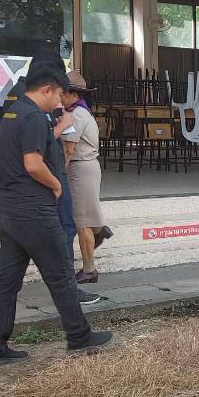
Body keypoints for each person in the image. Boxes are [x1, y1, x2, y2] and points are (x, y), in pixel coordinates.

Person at [0, 65, 112, 368]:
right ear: (47, 89)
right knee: (62, 276)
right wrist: (55, 185)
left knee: (6, 284)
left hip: (8, 211)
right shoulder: (34, 117)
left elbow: (29, 148)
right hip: (34, 213)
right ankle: (79, 337)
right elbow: (33, 163)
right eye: (59, 95)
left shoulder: (14, 113)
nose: (61, 102)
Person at [60, 72, 113, 284]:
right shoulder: (78, 111)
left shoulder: (77, 115)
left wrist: (59, 173)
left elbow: (68, 149)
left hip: (80, 169)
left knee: (82, 222)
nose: (59, 97)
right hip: (85, 168)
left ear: (73, 94)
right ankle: (100, 229)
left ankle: (89, 269)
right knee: (85, 218)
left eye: (62, 93)